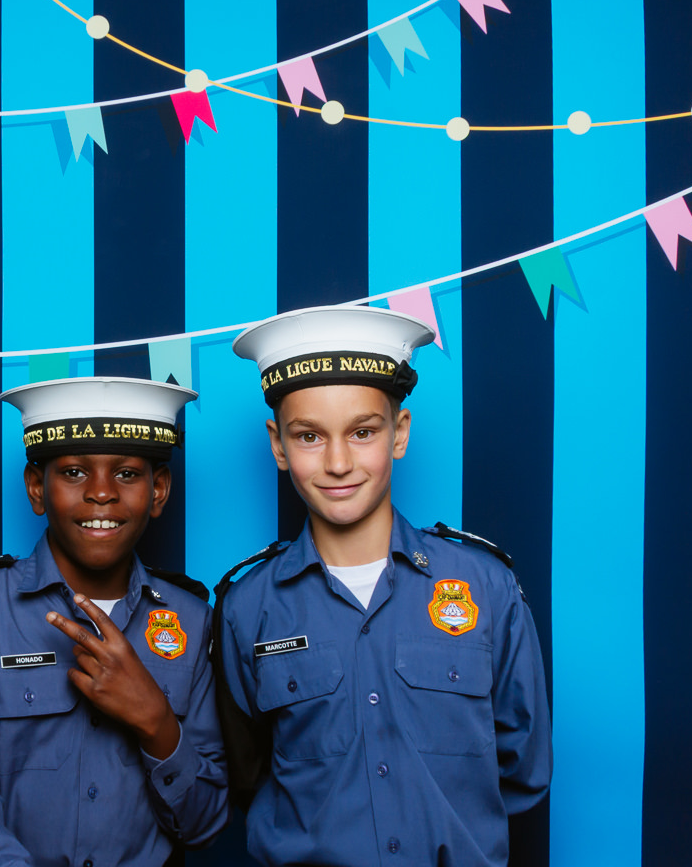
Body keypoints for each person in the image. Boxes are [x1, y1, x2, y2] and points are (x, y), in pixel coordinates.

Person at [216, 304, 550, 867]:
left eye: (363, 432)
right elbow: (248, 774)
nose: (338, 462)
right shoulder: (247, 607)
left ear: (400, 433)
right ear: (278, 445)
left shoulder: (485, 586)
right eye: (309, 436)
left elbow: (523, 769)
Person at [0, 376, 228, 867]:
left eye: (127, 473)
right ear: (37, 488)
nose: (101, 493)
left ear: (159, 490)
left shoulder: (193, 620)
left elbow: (205, 823)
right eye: (74, 472)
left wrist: (157, 722)